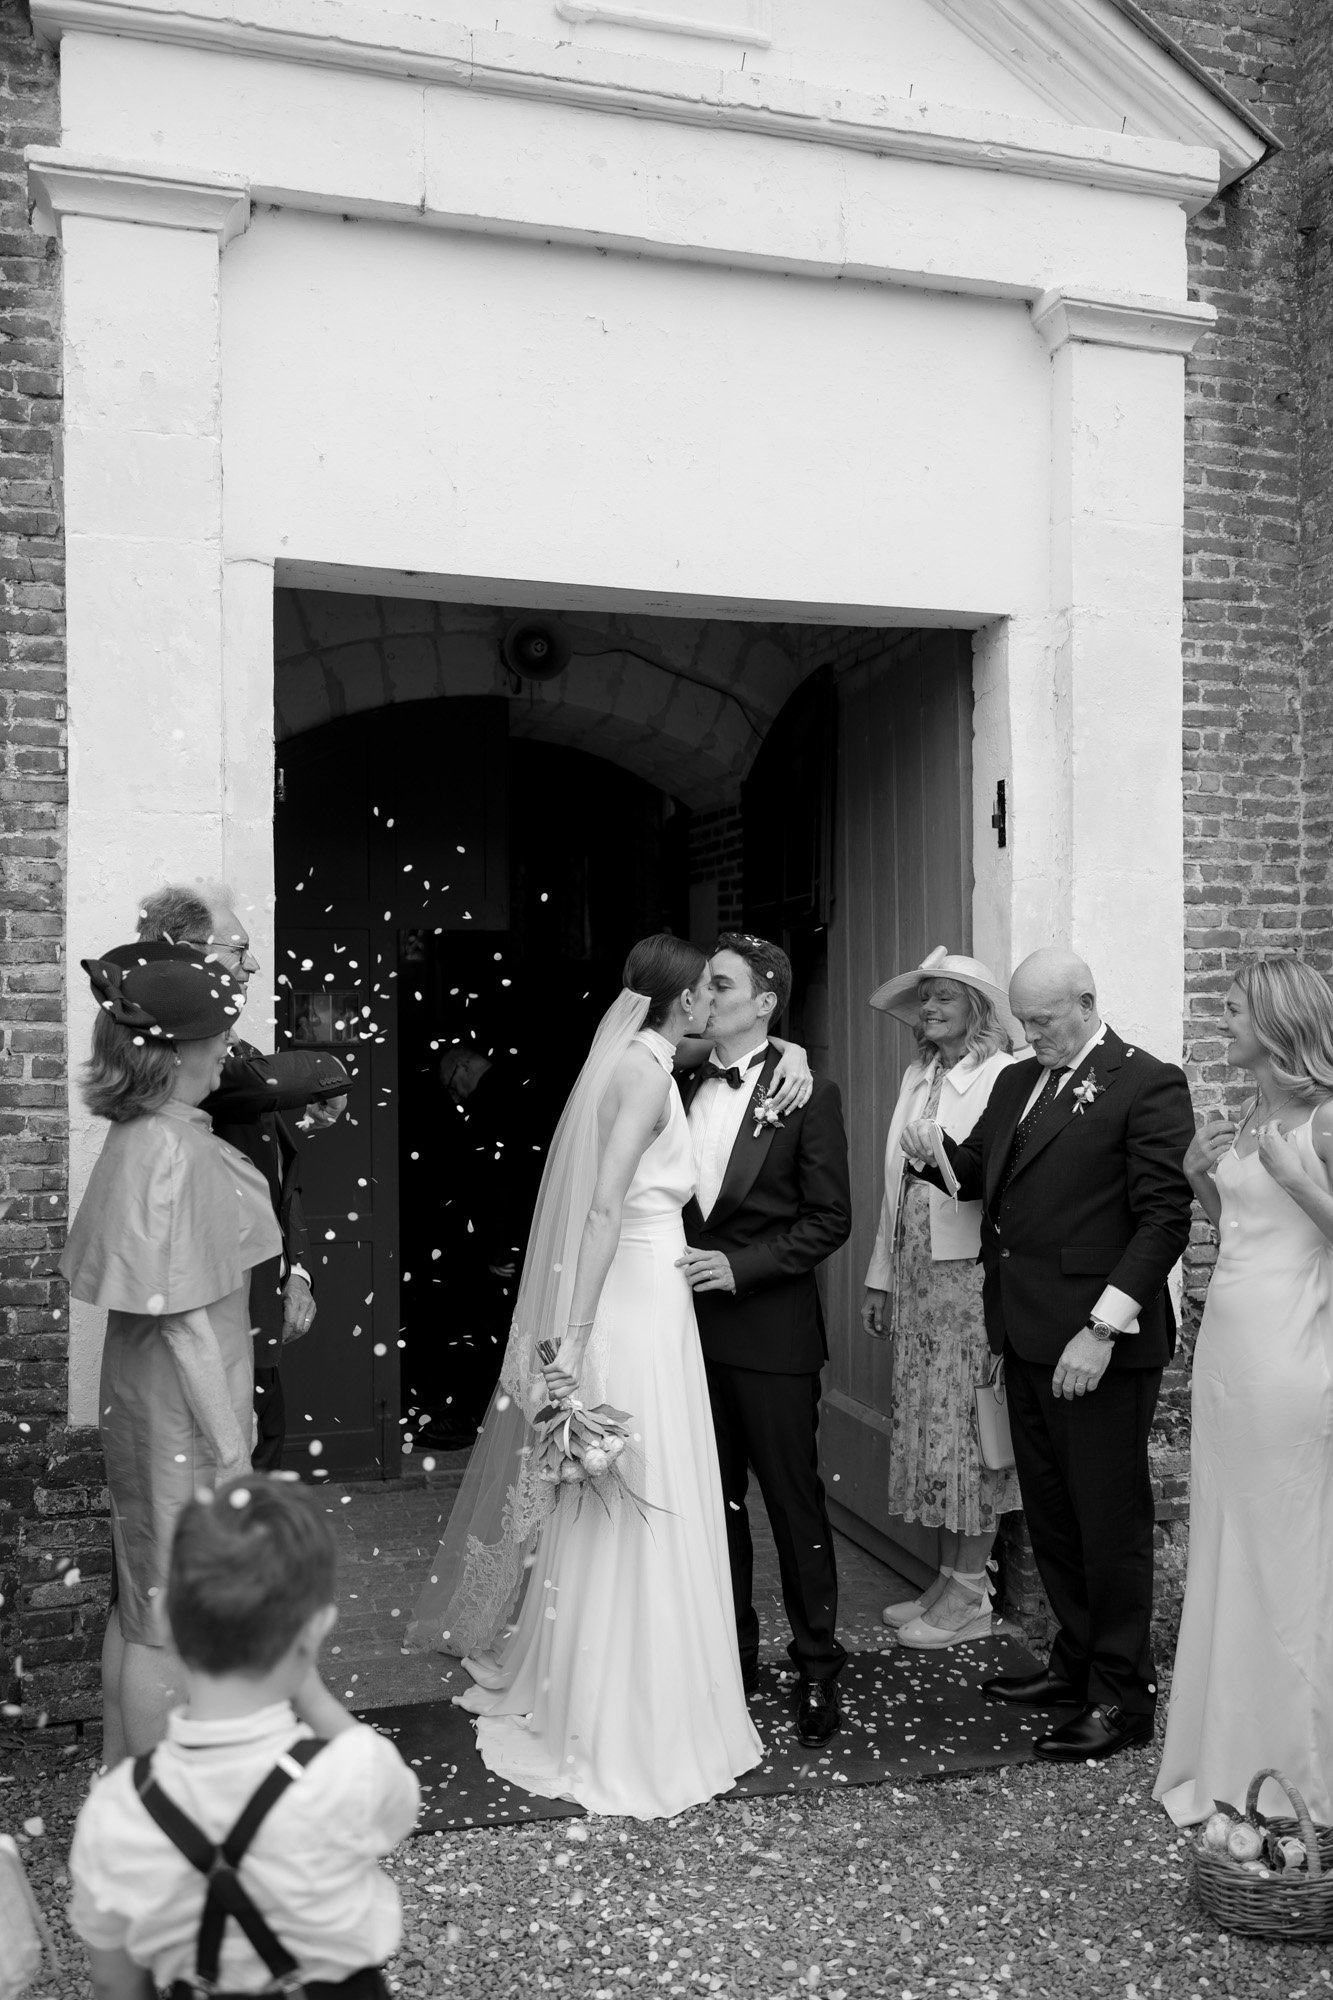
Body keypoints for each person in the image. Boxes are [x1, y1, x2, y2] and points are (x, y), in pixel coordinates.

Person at [411, 935, 767, 1819]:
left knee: (630, 1490)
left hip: (650, 1294)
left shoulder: (641, 1060)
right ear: (681, 1003)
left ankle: (619, 1684)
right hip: (634, 1301)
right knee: (641, 1490)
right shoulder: (644, 1075)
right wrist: (570, 1335)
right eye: (706, 991)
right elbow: (605, 1204)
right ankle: (632, 1713)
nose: (714, 1003)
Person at [901, 947, 1194, 1762]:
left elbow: (1163, 1220)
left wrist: (1101, 1329)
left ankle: (1122, 1697)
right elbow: (984, 1180)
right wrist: (932, 1152)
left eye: (1044, 1021)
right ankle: (1073, 1665)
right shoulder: (1013, 1082)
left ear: (1086, 1001)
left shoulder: (1146, 1082)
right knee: (1056, 1522)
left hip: (1094, 1346)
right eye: (1024, 1023)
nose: (1032, 1037)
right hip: (1022, 1335)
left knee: (1108, 1524)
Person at [68, 1473, 419, 2000]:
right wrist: (312, 1691)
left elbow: (117, 1985)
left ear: (164, 1620)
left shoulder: (116, 1810)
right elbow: (398, 1811)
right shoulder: (356, 1772)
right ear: (316, 1629)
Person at [60, 945, 279, 1763]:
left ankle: (122, 1791)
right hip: (185, 1425)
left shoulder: (149, 1134)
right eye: (217, 1031)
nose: (227, 1043)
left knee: (142, 1604)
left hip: (151, 1410)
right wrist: (233, 1459)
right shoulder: (174, 1151)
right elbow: (185, 1324)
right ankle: (153, 1822)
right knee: (171, 1627)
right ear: (175, 1048)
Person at [1155, 955, 1333, 1827]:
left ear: (1274, 1023)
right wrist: (1200, 1179)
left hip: (1288, 1358)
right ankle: (1229, 1749)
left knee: (1280, 1551)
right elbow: (1244, 1229)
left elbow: (1310, 1223)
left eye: (1230, 1012)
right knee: (1227, 1542)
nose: (1220, 1023)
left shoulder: (1326, 1121)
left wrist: (1298, 1176)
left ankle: (1296, 1764)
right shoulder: (1252, 1110)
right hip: (1225, 1348)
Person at [676, 933, 853, 1746]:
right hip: (679, 1335)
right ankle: (731, 1657)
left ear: (763, 1002)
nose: (702, 995)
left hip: (772, 1332)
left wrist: (738, 1268)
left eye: (718, 984)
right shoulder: (676, 1081)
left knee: (791, 1504)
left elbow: (828, 1220)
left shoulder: (807, 1094)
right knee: (711, 1506)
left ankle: (817, 1665)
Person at [136, 884, 349, 1468]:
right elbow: (250, 1084)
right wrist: (331, 1072)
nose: (253, 963)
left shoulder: (239, 1051)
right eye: (239, 948)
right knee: (215, 1476)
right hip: (213, 1315)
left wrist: (298, 1271)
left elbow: (284, 1180)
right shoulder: (167, 1050)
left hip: (258, 1306)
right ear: (187, 951)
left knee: (264, 1453)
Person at [860, 947, 1022, 1647]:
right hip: (917, 1269)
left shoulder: (1004, 1075)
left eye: (943, 999)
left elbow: (998, 1177)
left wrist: (944, 1154)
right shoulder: (916, 1073)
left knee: (969, 1425)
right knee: (933, 1420)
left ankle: (970, 1590)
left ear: (977, 1011)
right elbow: (893, 1184)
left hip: (968, 1276)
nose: (928, 1010)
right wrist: (881, 1274)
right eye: (923, 999)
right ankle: (949, 1576)